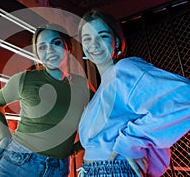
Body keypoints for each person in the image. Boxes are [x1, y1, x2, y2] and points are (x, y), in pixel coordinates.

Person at [77, 9, 190, 177]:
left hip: (113, 170)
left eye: (103, 36)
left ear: (115, 40)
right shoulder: (103, 85)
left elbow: (185, 98)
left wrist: (131, 141)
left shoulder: (124, 69)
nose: (94, 44)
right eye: (87, 39)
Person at [0, 23, 92, 177]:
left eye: (56, 43)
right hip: (16, 163)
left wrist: (76, 147)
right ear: (37, 54)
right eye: (42, 47)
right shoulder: (25, 79)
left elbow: (102, 117)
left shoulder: (82, 85)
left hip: (58, 169)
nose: (49, 50)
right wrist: (4, 137)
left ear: (68, 47)